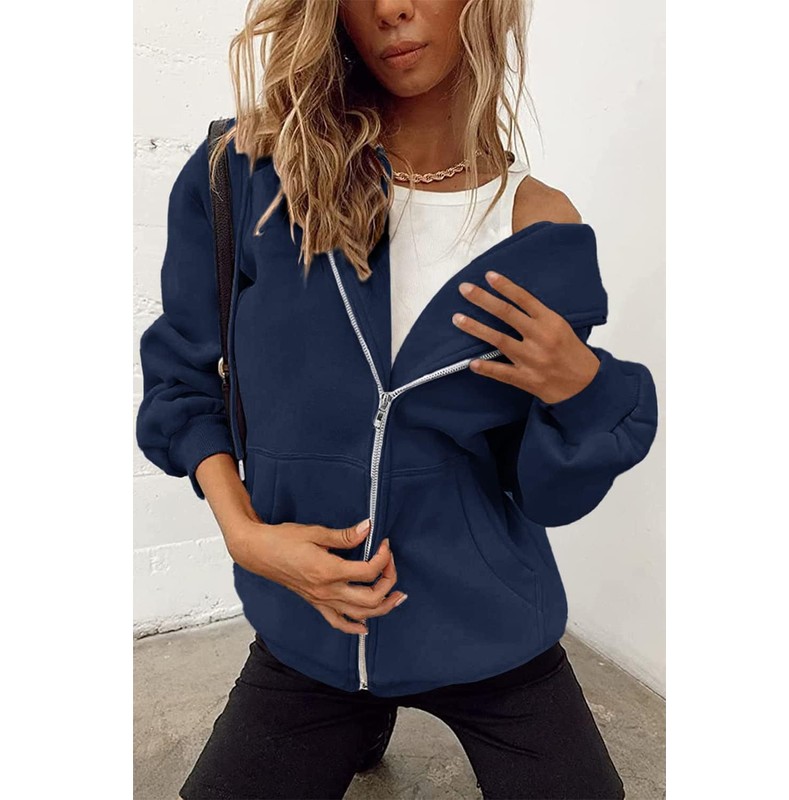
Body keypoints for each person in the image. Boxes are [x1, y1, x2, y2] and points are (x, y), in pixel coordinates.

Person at [135, 1, 658, 797]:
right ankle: (361, 714)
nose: (391, 9)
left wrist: (582, 394)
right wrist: (245, 535)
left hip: (488, 627)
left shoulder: (538, 223)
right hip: (312, 627)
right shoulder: (253, 176)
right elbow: (183, 379)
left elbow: (545, 494)